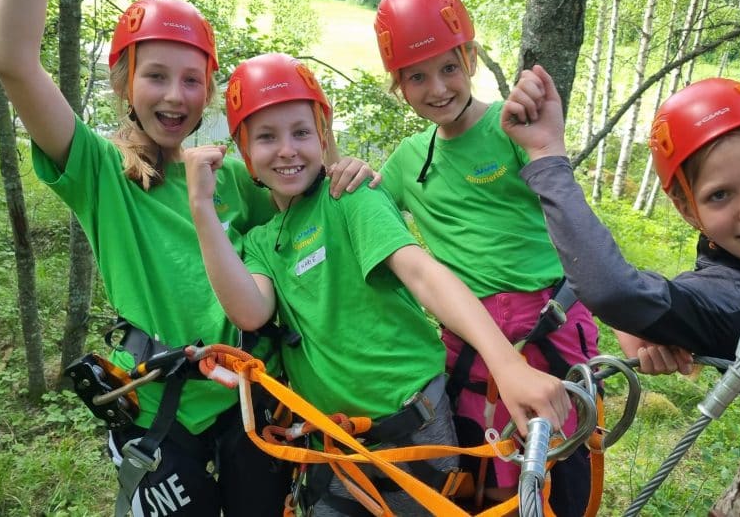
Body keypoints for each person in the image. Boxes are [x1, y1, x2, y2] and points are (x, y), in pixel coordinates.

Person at [0, 0, 376, 514]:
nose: (174, 95)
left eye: (191, 80)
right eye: (156, 76)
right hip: (162, 415)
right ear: (124, 84)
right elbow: (14, 61)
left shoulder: (232, 178)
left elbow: (303, 198)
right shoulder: (101, 173)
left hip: (253, 403)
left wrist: (345, 171)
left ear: (209, 92)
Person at [184, 52, 572, 516]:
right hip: (338, 443)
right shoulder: (262, 243)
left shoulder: (348, 198)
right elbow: (249, 311)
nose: (287, 149)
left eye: (301, 132)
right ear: (245, 153)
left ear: (322, 136)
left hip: (412, 428)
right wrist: (202, 209)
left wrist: (506, 364)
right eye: (266, 137)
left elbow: (422, 273)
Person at [371, 0, 668, 513]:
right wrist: (346, 172)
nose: (437, 89)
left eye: (448, 68)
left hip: (551, 322)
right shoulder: (405, 163)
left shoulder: (511, 127)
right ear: (398, 86)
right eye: (416, 78)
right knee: (479, 469)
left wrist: (630, 324)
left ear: (472, 57)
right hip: (471, 342)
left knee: (561, 466)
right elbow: (372, 225)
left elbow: (571, 224)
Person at [502, 67, 740, 418]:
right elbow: (614, 291)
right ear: (687, 209)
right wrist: (546, 154)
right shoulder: (718, 301)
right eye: (720, 195)